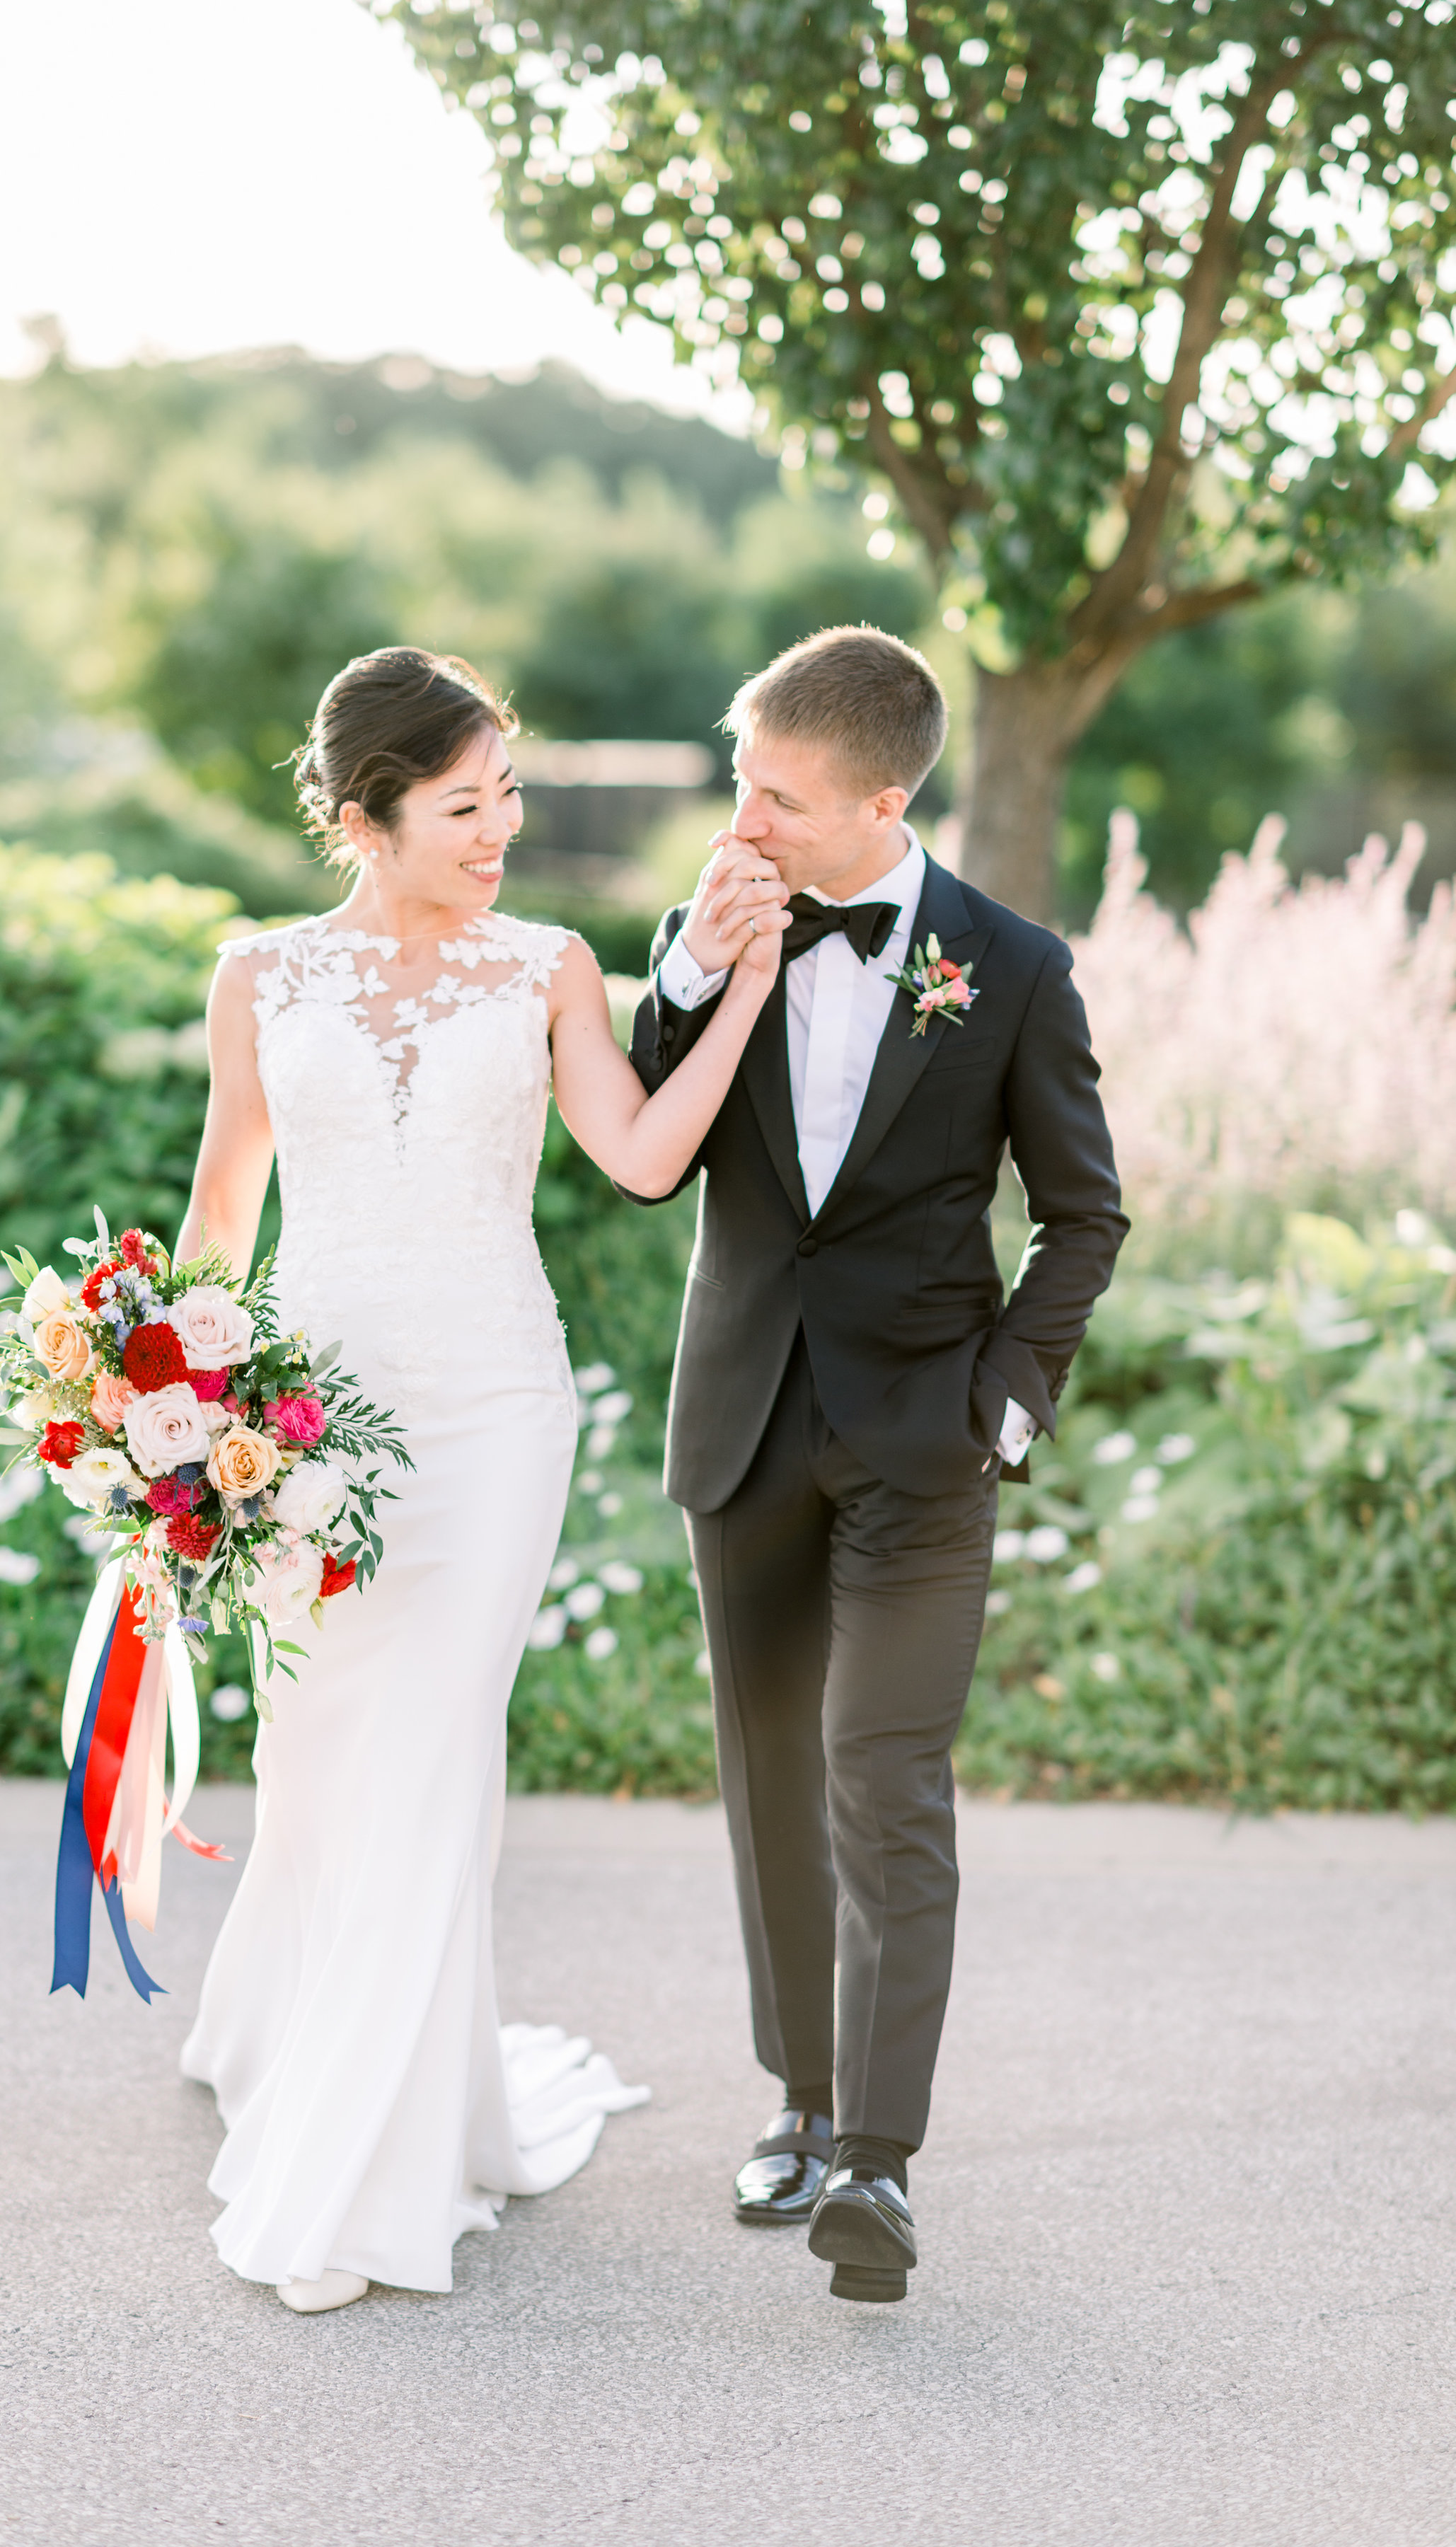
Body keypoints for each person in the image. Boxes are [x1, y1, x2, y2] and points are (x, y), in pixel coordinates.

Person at [173, 645, 789, 2314]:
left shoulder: (546, 968)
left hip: (494, 1410)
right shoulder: (260, 976)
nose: (502, 826)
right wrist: (165, 1409)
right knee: (313, 1748)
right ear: (366, 819)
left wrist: (740, 990)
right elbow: (224, 1209)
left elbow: (645, 1158)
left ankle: (370, 2161)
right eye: (466, 804)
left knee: (433, 1750)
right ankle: (292, 2033)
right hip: (295, 1430)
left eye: (507, 790)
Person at [627, 625, 1128, 2304]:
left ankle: (879, 2168)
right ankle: (800, 2098)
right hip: (746, 1415)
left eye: (774, 796)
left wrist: (1010, 1393)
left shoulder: (1014, 968)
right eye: (738, 781)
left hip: (925, 1439)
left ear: (882, 798)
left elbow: (1083, 1213)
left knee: (882, 1777)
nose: (740, 820)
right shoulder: (711, 920)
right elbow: (641, 1141)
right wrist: (695, 973)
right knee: (775, 1771)